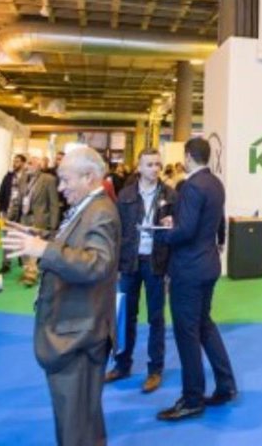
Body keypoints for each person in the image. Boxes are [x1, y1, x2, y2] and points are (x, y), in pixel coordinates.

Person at [3, 146, 120, 446]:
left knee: (76, 428)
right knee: (81, 422)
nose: (60, 187)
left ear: (89, 177)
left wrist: (44, 249)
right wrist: (38, 237)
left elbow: (98, 264)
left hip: (80, 334)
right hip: (75, 329)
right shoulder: (88, 208)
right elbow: (74, 244)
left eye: (66, 180)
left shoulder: (101, 211)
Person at [154, 137, 238, 421]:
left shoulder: (191, 186)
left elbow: (186, 230)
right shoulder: (215, 184)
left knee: (187, 333)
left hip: (188, 270)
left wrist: (163, 234)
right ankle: (226, 385)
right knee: (204, 326)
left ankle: (192, 399)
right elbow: (208, 223)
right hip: (208, 265)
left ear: (188, 156)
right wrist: (177, 224)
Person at [105, 149, 177, 393]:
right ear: (139, 167)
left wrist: (172, 225)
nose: (155, 169)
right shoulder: (125, 195)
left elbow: (177, 232)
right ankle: (122, 364)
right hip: (129, 262)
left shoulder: (170, 195)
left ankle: (155, 370)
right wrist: (116, 265)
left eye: (158, 164)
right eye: (149, 164)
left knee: (156, 318)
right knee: (126, 316)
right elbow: (117, 232)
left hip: (156, 262)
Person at [9, 156, 61, 287]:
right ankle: (28, 270)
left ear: (38, 166)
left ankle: (32, 274)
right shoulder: (22, 179)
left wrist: (53, 225)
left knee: (35, 247)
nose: (27, 166)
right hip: (24, 218)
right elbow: (18, 200)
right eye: (27, 164)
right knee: (24, 246)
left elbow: (54, 203)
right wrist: (12, 216)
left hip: (40, 219)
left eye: (30, 163)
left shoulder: (48, 179)